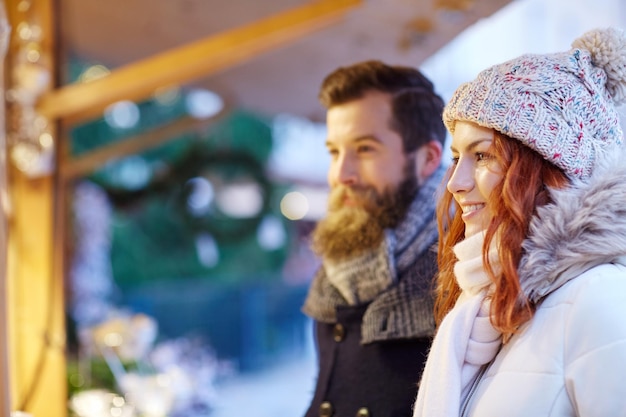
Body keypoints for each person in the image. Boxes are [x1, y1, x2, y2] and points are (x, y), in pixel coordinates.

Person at [413, 27, 626, 417]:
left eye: (483, 156)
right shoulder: (485, 303)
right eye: (457, 157)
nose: (456, 184)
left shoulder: (600, 297)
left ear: (548, 170)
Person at [301, 60, 447, 417]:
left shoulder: (464, 266)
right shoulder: (344, 254)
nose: (340, 174)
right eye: (334, 152)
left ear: (427, 158)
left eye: (364, 149)